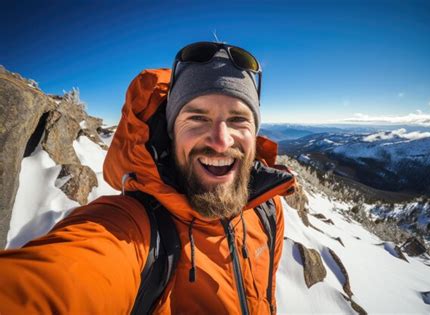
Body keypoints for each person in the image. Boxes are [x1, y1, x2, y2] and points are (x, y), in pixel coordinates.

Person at [0, 42, 295, 314]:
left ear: (254, 133)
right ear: (171, 131)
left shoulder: (267, 210)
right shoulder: (134, 229)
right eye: (197, 117)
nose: (220, 140)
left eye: (238, 119)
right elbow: (56, 284)